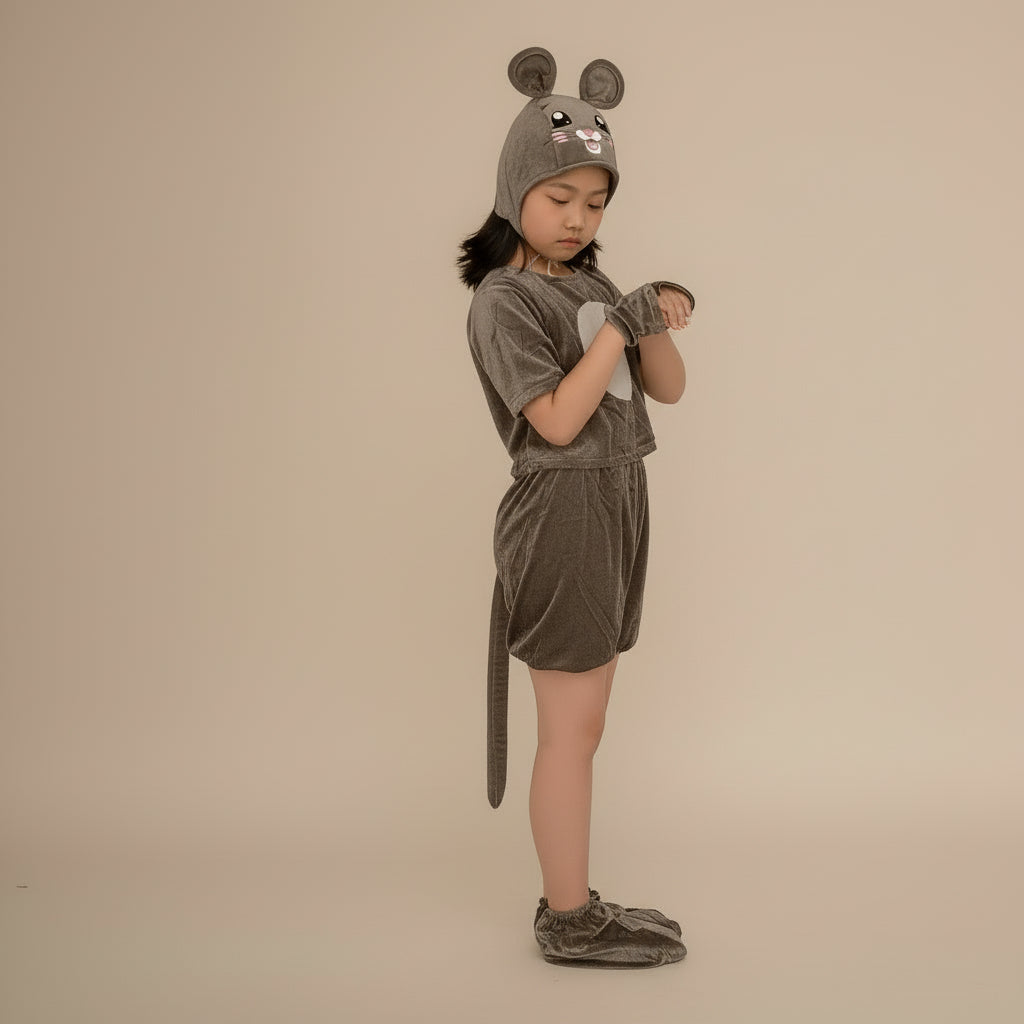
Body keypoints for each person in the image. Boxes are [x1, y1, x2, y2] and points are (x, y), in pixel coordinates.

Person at [458, 46, 696, 969]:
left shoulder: (593, 287)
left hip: (619, 498)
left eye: (595, 204)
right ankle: (567, 915)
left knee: (586, 724)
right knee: (571, 729)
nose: (577, 219)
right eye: (560, 198)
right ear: (515, 187)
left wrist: (655, 314)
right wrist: (619, 327)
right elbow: (557, 421)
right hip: (561, 511)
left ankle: (575, 901)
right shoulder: (502, 300)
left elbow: (664, 388)